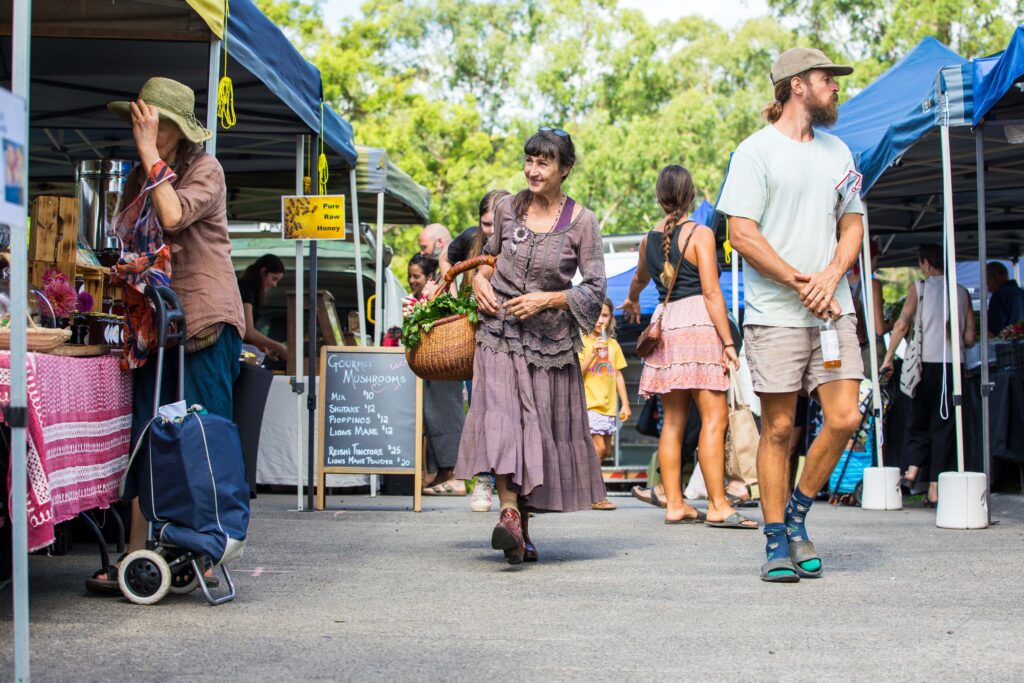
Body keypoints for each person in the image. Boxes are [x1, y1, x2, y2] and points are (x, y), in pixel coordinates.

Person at [87, 77, 245, 594]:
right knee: (145, 438)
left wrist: (148, 151)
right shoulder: (140, 174)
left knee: (202, 436)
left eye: (150, 122)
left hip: (201, 322)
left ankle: (207, 549)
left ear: (173, 127)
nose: (142, 129)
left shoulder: (205, 168)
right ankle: (137, 554)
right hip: (156, 324)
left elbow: (173, 214)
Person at [717, 48, 866, 583]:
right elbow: (742, 234)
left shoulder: (839, 151)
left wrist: (829, 276)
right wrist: (796, 279)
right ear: (797, 86)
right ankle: (776, 538)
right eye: (828, 79)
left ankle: (798, 512)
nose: (836, 88)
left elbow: (852, 224)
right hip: (776, 313)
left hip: (833, 310)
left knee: (846, 416)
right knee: (779, 428)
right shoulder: (754, 153)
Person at [454, 127, 607, 565]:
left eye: (543, 162)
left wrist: (551, 298)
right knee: (503, 421)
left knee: (534, 432)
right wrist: (481, 281)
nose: (532, 170)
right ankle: (507, 511)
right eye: (529, 160)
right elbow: (490, 257)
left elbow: (595, 288)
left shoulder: (583, 222)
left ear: (565, 169)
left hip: (550, 341)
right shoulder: (506, 208)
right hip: (498, 330)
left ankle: (520, 527)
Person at [621, 164, 754, 530]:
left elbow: (638, 279)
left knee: (674, 422)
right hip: (698, 323)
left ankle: (675, 503)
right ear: (690, 194)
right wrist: (728, 341)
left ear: (660, 197)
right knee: (714, 419)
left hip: (667, 326)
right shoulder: (701, 234)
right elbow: (712, 293)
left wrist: (632, 301)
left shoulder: (650, 238)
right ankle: (717, 505)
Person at [881, 244, 975, 506]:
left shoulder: (918, 288)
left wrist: (888, 358)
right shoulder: (961, 292)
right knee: (943, 426)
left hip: (922, 365)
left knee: (917, 417)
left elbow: (901, 324)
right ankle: (934, 488)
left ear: (925, 264)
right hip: (951, 366)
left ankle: (912, 470)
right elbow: (969, 336)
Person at [406, 254, 469, 496]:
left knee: (446, 416)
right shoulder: (416, 299)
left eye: (417, 276)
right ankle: (443, 473)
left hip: (444, 363)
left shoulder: (440, 295)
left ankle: (456, 476)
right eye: (410, 275)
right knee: (432, 418)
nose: (412, 280)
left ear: (430, 277)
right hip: (429, 366)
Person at [579, 298, 631, 511]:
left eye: (605, 315)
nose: (601, 320)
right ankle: (593, 493)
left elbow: (618, 374)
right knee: (598, 448)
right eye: (597, 315)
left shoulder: (613, 345)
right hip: (589, 404)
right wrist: (592, 353)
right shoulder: (582, 342)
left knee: (606, 450)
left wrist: (625, 404)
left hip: (608, 407)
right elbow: (577, 373)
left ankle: (583, 485)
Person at [444, 189, 512, 272]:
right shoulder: (471, 237)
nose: (492, 230)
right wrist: (451, 284)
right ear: (480, 221)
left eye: (498, 224)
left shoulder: (524, 248)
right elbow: (444, 259)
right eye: (486, 224)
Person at [849, 239, 891, 372]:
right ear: (868, 258)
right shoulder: (873, 285)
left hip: (847, 351)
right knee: (877, 391)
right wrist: (895, 323)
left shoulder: (841, 284)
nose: (876, 263)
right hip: (870, 352)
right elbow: (879, 329)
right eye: (876, 258)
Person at [237, 254, 288, 360]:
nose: (275, 285)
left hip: (236, 350)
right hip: (231, 351)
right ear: (263, 272)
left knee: (258, 361)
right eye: (274, 278)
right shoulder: (245, 289)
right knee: (256, 363)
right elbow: (248, 332)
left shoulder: (251, 292)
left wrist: (261, 346)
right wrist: (278, 346)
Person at [986, 261, 1024, 337]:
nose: (987, 286)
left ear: (995, 277)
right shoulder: (1021, 292)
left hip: (1006, 345)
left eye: (987, 280)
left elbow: (995, 330)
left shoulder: (998, 296)